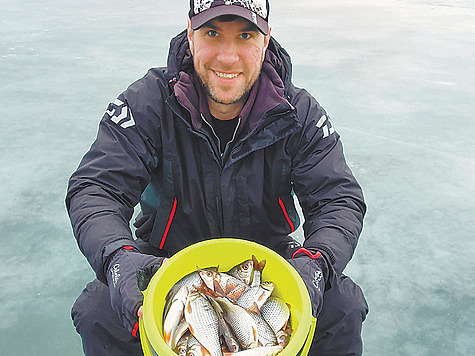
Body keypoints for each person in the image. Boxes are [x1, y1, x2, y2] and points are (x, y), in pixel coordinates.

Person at [66, 1, 369, 355]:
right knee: (98, 310)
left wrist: (316, 261)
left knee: (342, 306)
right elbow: (96, 188)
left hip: (264, 265)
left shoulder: (299, 113)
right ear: (191, 36)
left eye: (245, 35)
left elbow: (338, 199)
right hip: (165, 260)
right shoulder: (146, 103)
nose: (228, 57)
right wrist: (119, 256)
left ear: (267, 38)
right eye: (212, 33)